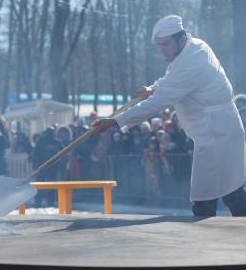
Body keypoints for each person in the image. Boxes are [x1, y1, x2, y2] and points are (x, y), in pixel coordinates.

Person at [93, 15, 246, 216]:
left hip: (217, 133)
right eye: (160, 45)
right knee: (218, 194)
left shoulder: (191, 64)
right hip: (215, 133)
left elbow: (157, 103)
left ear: (181, 39)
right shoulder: (194, 47)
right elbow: (170, 77)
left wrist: (116, 120)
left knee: (226, 195)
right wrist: (152, 88)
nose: (162, 49)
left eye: (165, 44)